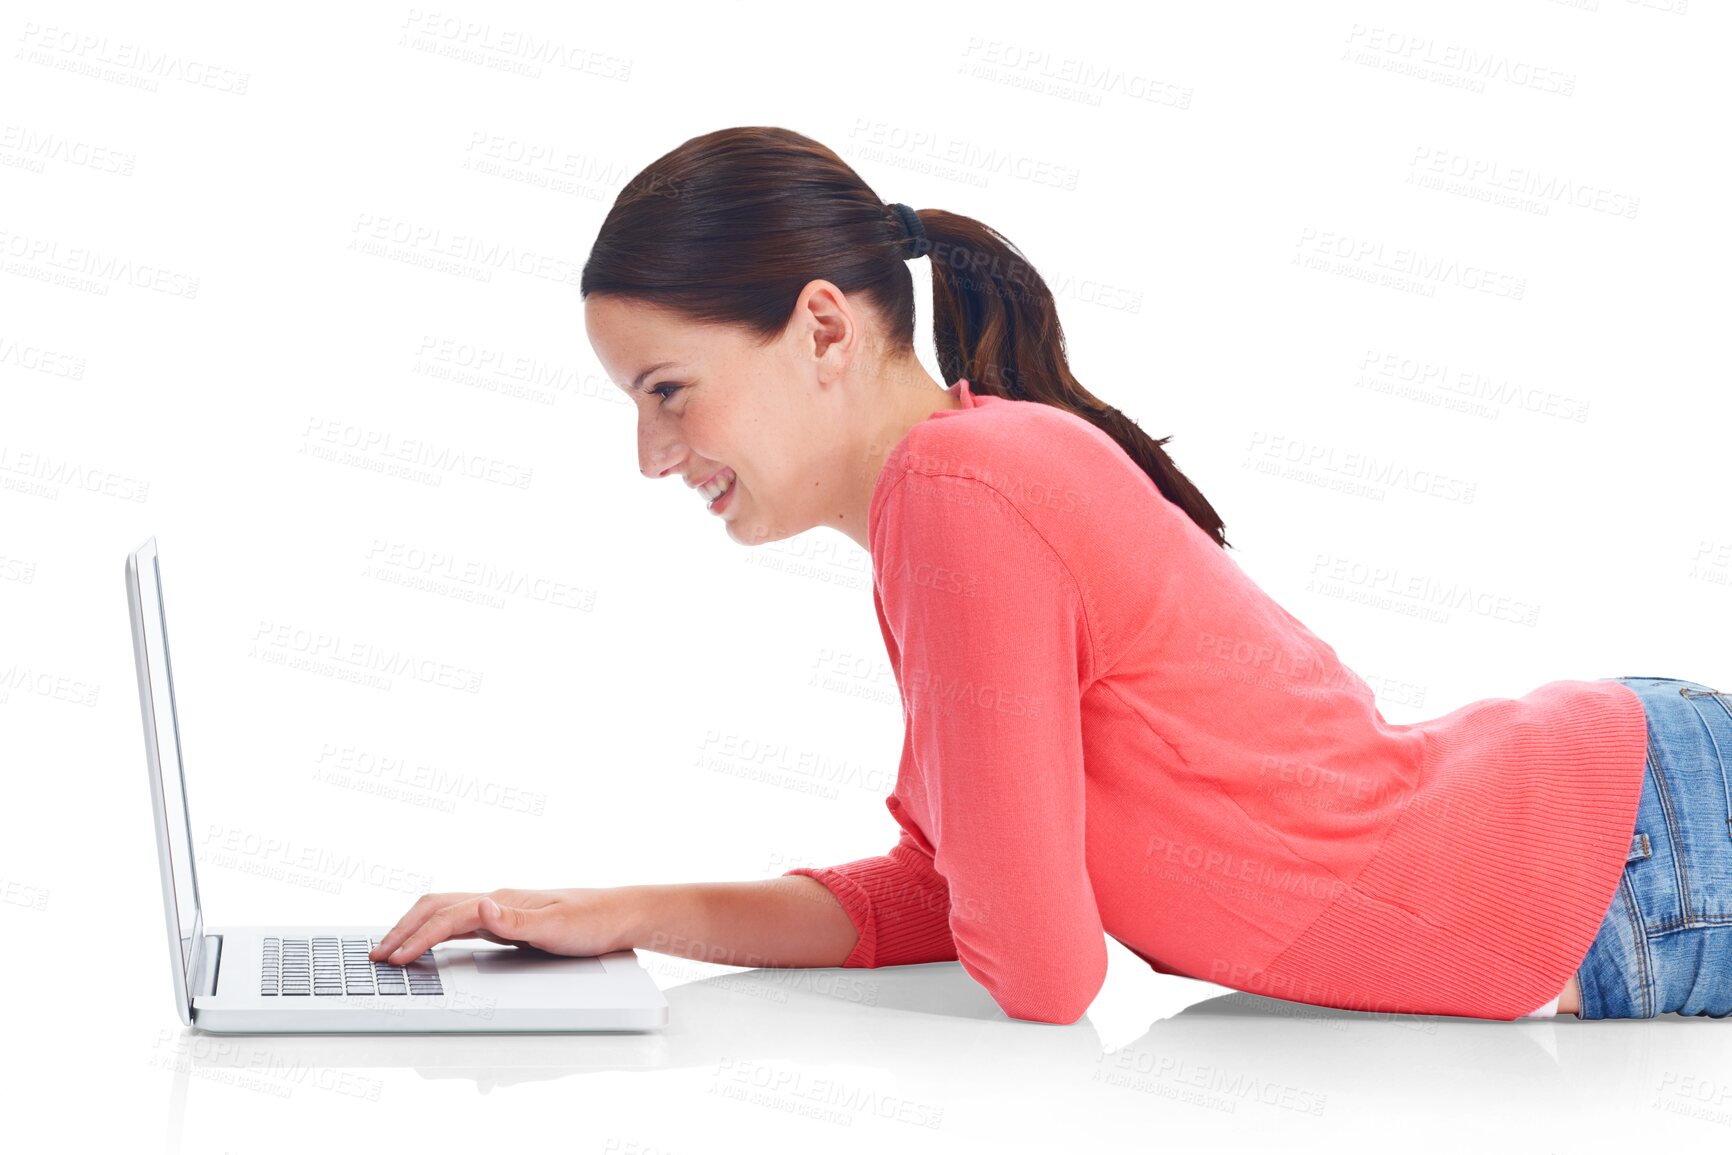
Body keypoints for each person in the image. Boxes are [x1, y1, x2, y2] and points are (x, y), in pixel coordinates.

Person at [369, 126, 1731, 1024]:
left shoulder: (965, 492)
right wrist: (612, 916)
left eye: (671, 392)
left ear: (824, 329)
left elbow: (1040, 969)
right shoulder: (955, 490)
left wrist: (985, 906)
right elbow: (940, 894)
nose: (655, 456)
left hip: (1629, 862)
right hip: (1621, 836)